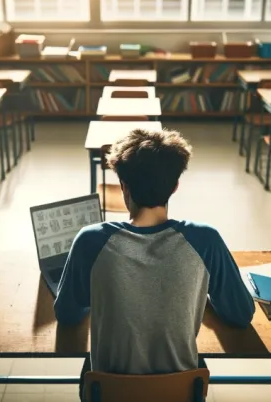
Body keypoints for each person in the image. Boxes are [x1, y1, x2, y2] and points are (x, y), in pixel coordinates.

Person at [54, 128, 255, 399]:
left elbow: (67, 314)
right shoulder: (206, 240)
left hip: (108, 392)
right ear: (175, 186)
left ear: (123, 186)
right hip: (180, 392)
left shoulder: (90, 241)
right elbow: (241, 315)